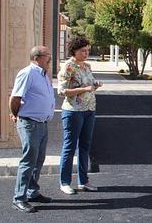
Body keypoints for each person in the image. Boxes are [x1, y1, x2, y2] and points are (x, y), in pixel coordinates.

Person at [10, 46, 55, 213]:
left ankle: (32, 192)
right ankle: (19, 198)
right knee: (28, 161)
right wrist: (16, 114)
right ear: (36, 58)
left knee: (39, 159)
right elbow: (15, 97)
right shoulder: (28, 73)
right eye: (47, 55)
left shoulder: (43, 74)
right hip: (30, 123)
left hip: (42, 124)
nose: (50, 58)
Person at [57, 37, 102, 195]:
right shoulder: (68, 66)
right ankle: (64, 182)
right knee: (69, 147)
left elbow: (89, 86)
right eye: (83, 50)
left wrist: (95, 86)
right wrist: (84, 89)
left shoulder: (87, 66)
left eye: (88, 50)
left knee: (85, 147)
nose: (86, 53)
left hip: (89, 110)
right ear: (74, 51)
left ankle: (83, 181)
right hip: (73, 112)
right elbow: (62, 91)